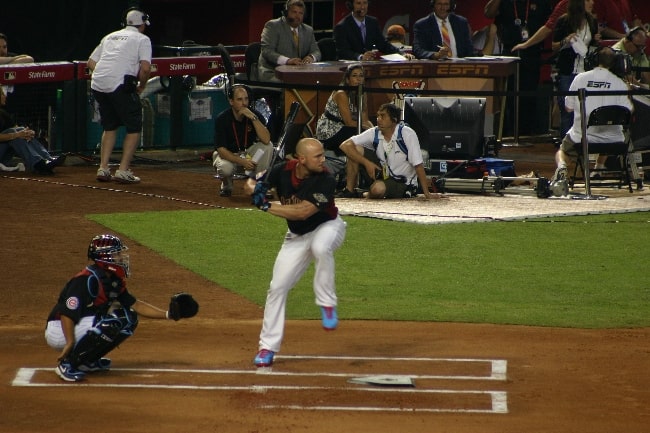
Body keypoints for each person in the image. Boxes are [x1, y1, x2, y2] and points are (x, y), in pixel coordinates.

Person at [247, 137, 347, 368]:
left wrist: (266, 205)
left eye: (323, 154)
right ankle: (267, 347)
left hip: (328, 227)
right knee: (277, 288)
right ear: (301, 159)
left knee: (320, 247)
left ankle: (327, 303)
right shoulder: (282, 171)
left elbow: (303, 212)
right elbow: (250, 183)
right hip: (296, 237)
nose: (324, 159)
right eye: (318, 156)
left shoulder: (326, 178)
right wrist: (255, 186)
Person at [44, 234, 198, 381]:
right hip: (60, 330)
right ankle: (67, 364)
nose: (121, 257)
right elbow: (66, 314)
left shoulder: (112, 281)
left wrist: (168, 314)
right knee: (114, 321)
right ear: (105, 257)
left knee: (129, 318)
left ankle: (86, 361)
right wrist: (70, 342)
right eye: (116, 254)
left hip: (80, 325)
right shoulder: (86, 280)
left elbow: (136, 305)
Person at [87, 8, 152, 184]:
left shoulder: (109, 36)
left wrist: (105, 73)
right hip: (119, 85)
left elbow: (91, 62)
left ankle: (103, 168)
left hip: (99, 84)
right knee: (134, 126)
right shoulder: (142, 39)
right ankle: (123, 170)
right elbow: (145, 68)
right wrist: (142, 85)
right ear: (142, 25)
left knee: (109, 126)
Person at [552, 46, 633, 183]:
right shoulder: (620, 83)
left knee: (563, 150)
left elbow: (568, 108)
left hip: (583, 139)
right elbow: (628, 111)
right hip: (613, 140)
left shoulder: (580, 78)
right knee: (609, 125)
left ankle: (562, 167)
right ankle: (598, 168)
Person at [339, 103, 439, 200]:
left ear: (394, 120)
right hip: (381, 173)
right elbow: (344, 146)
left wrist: (427, 193)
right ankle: (349, 191)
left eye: (382, 116)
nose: (378, 119)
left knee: (377, 189)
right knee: (354, 149)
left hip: (402, 182)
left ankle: (365, 194)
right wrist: (367, 163)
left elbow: (418, 165)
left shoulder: (407, 134)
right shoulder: (374, 132)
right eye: (378, 115)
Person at [484, 0, 553, 136]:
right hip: (510, 52)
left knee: (528, 95)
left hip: (532, 53)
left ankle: (526, 133)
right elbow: (488, 13)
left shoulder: (542, 3)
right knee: (509, 96)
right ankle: (508, 134)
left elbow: (549, 24)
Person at [212, 84, 272, 197]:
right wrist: (242, 161)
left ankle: (260, 185)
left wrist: (253, 118)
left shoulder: (254, 115)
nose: (244, 103)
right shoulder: (222, 119)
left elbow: (266, 139)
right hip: (229, 154)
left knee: (268, 146)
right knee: (225, 168)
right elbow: (221, 150)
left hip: (247, 153)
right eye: (239, 99)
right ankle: (226, 186)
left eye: (246, 99)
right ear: (231, 102)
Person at [552, 0, 600, 138]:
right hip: (568, 72)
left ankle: (583, 144)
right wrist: (566, 40)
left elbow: (592, 46)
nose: (592, 3)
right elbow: (554, 46)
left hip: (586, 72)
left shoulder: (592, 21)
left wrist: (595, 40)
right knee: (568, 110)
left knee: (585, 109)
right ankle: (566, 144)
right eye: (588, 0)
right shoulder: (564, 21)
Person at [0, 86, 64, 174]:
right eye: (2, 94)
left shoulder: (2, 113)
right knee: (14, 134)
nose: (5, 96)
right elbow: (13, 133)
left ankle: (46, 159)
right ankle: (39, 164)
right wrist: (17, 135)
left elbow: (17, 129)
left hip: (3, 156)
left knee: (20, 131)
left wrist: (27, 132)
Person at [315, 63, 373, 156]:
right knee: (362, 135)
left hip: (347, 127)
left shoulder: (362, 93)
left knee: (370, 136)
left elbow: (365, 120)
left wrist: (374, 130)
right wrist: (369, 131)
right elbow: (349, 123)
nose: (358, 79)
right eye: (354, 76)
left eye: (361, 76)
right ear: (347, 79)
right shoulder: (341, 94)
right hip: (330, 130)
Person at [258, 0, 321, 83]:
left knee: (317, 81)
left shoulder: (308, 30)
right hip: (273, 73)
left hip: (297, 74)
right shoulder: (272, 26)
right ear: (286, 12)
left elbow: (316, 51)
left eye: (300, 13)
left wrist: (311, 57)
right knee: (293, 83)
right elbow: (267, 51)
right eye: (294, 12)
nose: (297, 16)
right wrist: (287, 61)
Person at [334, 0, 403, 61]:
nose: (363, 7)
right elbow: (343, 51)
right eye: (358, 3)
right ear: (351, 5)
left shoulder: (372, 22)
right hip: (351, 66)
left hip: (368, 64)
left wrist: (401, 54)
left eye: (365, 3)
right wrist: (360, 57)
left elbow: (383, 44)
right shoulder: (342, 26)